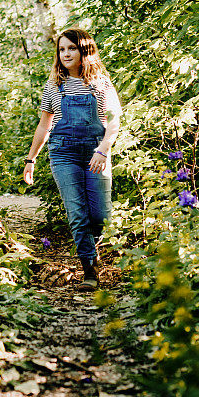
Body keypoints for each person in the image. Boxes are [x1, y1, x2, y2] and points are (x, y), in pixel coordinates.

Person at [23, 28, 122, 291]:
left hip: (95, 154)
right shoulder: (53, 86)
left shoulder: (101, 83)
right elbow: (44, 125)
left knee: (101, 216)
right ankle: (89, 269)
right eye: (62, 49)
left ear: (84, 51)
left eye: (72, 48)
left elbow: (114, 121)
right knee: (77, 214)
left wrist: (103, 150)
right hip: (63, 153)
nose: (66, 54)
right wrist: (31, 159)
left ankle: (91, 247)